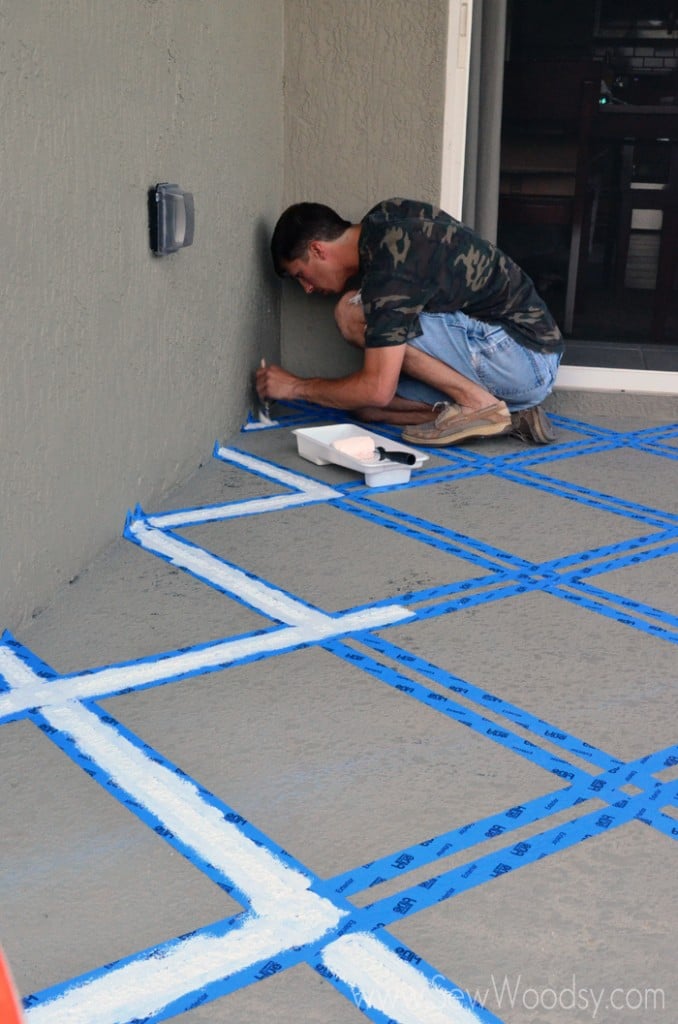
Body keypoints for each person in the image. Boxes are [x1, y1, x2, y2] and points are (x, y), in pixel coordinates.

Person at [257, 197, 563, 445]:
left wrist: (296, 387)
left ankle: (476, 403)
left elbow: (378, 387)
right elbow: (374, 400)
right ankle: (507, 414)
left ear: (318, 250)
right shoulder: (385, 218)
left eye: (301, 275)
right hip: (517, 363)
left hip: (522, 352)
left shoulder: (389, 267)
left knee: (350, 314)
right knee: (367, 409)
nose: (307, 288)